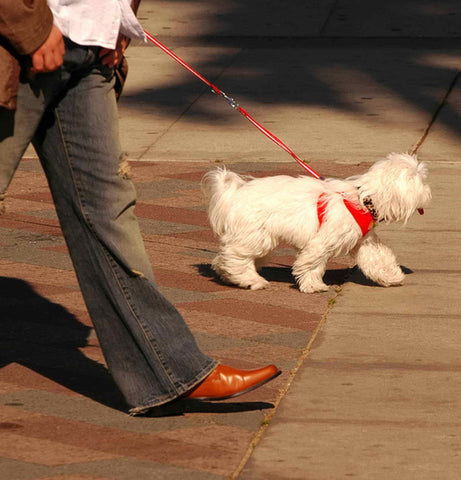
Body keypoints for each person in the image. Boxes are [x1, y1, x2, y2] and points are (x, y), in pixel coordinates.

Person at [0, 0, 280, 416]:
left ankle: (169, 372)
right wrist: (30, 25)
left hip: (93, 50)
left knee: (108, 214)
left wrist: (118, 20)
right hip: (21, 44)